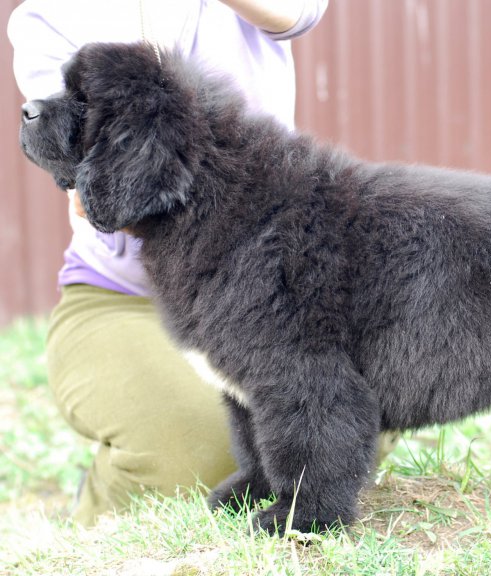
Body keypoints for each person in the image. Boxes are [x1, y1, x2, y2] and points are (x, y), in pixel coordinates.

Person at [7, 0, 348, 527]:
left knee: (334, 427)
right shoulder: (50, 14)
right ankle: (100, 520)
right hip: (123, 298)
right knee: (193, 450)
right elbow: (86, 177)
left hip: (269, 290)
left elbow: (298, 11)